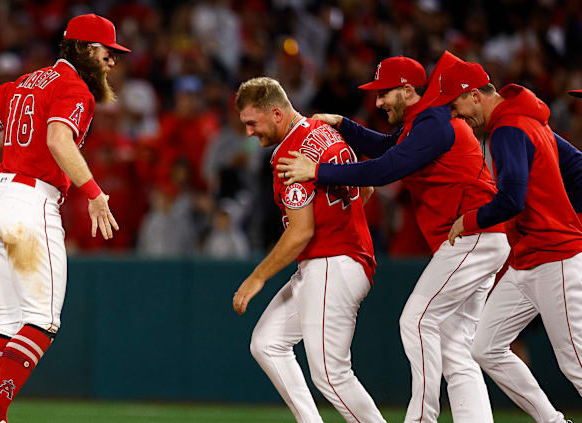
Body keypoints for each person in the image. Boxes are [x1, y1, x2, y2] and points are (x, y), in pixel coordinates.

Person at [276, 55, 510, 423]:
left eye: (385, 94)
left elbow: (386, 169)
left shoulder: (434, 122)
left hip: (473, 237)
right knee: (454, 347)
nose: (379, 102)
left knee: (416, 321)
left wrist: (318, 170)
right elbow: (390, 147)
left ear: (407, 89)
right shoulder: (424, 121)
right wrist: (345, 125)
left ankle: (421, 419)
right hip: (479, 239)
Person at [0, 13, 128, 423]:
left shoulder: (24, 82)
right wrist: (94, 193)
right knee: (42, 321)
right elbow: (57, 139)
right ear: (86, 48)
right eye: (107, 52)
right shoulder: (74, 88)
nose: (112, 62)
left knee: (10, 319)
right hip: (29, 201)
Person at [433, 61, 582, 423]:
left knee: (576, 362)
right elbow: (576, 164)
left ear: (474, 95)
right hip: (528, 259)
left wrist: (469, 219)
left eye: (456, 106)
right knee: (485, 346)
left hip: (555, 256)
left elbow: (512, 199)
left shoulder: (509, 128)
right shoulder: (525, 117)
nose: (455, 115)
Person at [233, 77, 385, 423]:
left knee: (331, 375)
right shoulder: (324, 129)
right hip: (341, 257)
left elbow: (301, 231)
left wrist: (258, 277)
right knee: (267, 343)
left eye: (252, 123)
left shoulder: (289, 153)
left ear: (275, 113)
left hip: (333, 260)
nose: (249, 132)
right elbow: (368, 189)